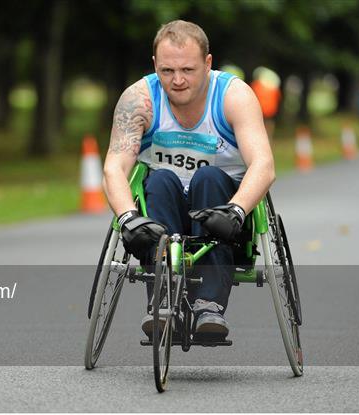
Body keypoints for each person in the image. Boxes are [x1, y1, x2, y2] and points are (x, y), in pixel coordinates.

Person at [102, 20, 275, 339]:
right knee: (160, 179)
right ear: (155, 65)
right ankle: (162, 302)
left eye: (188, 70)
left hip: (220, 205)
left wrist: (236, 210)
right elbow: (114, 167)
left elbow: (263, 164)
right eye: (167, 71)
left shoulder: (233, 96)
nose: (177, 80)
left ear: (208, 64)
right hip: (164, 205)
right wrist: (128, 218)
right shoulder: (139, 99)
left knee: (208, 177)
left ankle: (208, 304)